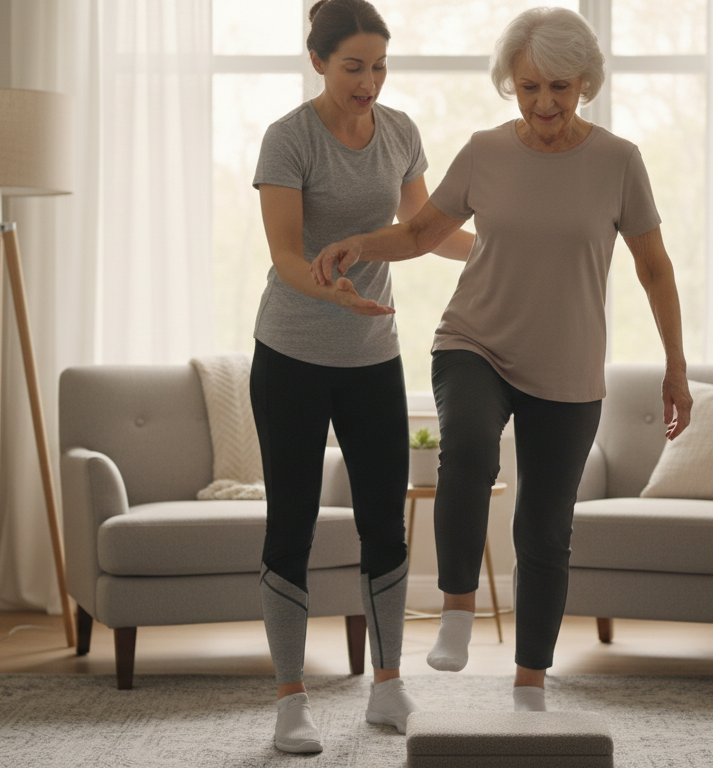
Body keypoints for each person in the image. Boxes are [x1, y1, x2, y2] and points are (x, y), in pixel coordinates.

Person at [311, 6, 693, 712]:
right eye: (528, 87)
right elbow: (420, 233)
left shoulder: (618, 161)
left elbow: (654, 268)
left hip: (568, 364)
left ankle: (529, 686)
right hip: (475, 340)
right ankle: (458, 610)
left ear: (585, 82)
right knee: (466, 449)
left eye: (559, 87)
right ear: (510, 85)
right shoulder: (485, 151)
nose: (543, 104)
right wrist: (360, 244)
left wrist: (675, 367)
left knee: (545, 529)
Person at [251, 0, 473, 753]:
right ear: (318, 61)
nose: (368, 82)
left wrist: (502, 249)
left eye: (378, 66)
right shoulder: (289, 138)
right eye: (353, 67)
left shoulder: (400, 133)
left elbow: (422, 231)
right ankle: (290, 701)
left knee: (384, 524)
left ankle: (387, 686)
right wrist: (332, 292)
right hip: (291, 353)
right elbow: (286, 255)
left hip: (373, 356)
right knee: (291, 525)